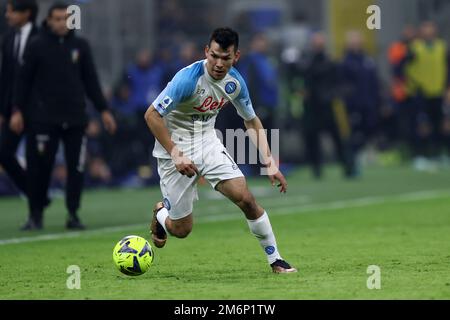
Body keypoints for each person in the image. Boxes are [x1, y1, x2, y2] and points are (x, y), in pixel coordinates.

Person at [144, 27, 296, 273]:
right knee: (181, 230)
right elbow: (151, 115)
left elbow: (251, 120)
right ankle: (161, 212)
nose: (218, 63)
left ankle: (276, 259)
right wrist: (175, 152)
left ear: (236, 56)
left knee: (245, 198)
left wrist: (270, 162)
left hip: (207, 143)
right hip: (173, 148)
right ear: (206, 51)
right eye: (214, 56)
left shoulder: (235, 82)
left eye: (225, 58)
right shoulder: (188, 79)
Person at [13, 2, 117, 230]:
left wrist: (103, 110)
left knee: (76, 169)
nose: (61, 23)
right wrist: (17, 110)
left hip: (75, 119)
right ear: (49, 21)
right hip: (43, 119)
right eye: (57, 19)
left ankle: (73, 214)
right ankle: (35, 214)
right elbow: (23, 81)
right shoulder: (36, 45)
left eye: (65, 19)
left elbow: (91, 81)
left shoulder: (80, 46)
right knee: (39, 169)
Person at [298, 32, 355, 179]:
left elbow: (337, 81)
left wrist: (333, 94)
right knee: (312, 139)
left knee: (337, 137)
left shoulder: (329, 62)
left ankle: (348, 166)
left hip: (327, 105)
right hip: (312, 106)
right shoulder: (308, 61)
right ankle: (316, 169)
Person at [0, 0, 39, 198]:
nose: (7, 15)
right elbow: (6, 77)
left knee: (36, 159)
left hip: (37, 110)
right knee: (4, 153)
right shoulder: (8, 39)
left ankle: (36, 206)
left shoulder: (40, 38)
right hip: (13, 110)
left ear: (26, 13)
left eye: (11, 11)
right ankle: (34, 194)